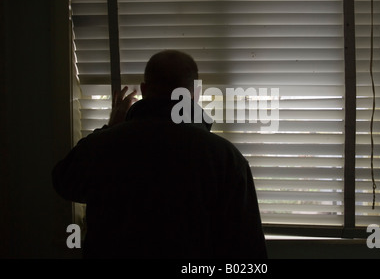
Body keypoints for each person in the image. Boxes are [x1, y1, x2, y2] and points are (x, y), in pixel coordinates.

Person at [52, 50, 268, 259]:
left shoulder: (103, 146)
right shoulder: (225, 157)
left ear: (144, 89)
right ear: (196, 92)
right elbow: (248, 248)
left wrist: (110, 128)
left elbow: (64, 182)